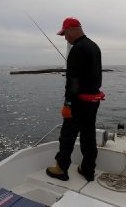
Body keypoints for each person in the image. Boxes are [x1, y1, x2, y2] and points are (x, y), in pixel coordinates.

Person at [46, 17, 104, 182]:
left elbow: (72, 83)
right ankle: (88, 170)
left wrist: (67, 104)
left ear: (72, 30)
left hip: (78, 103)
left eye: (65, 34)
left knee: (67, 135)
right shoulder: (94, 46)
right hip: (93, 101)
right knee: (88, 135)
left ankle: (60, 169)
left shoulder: (77, 50)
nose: (65, 37)